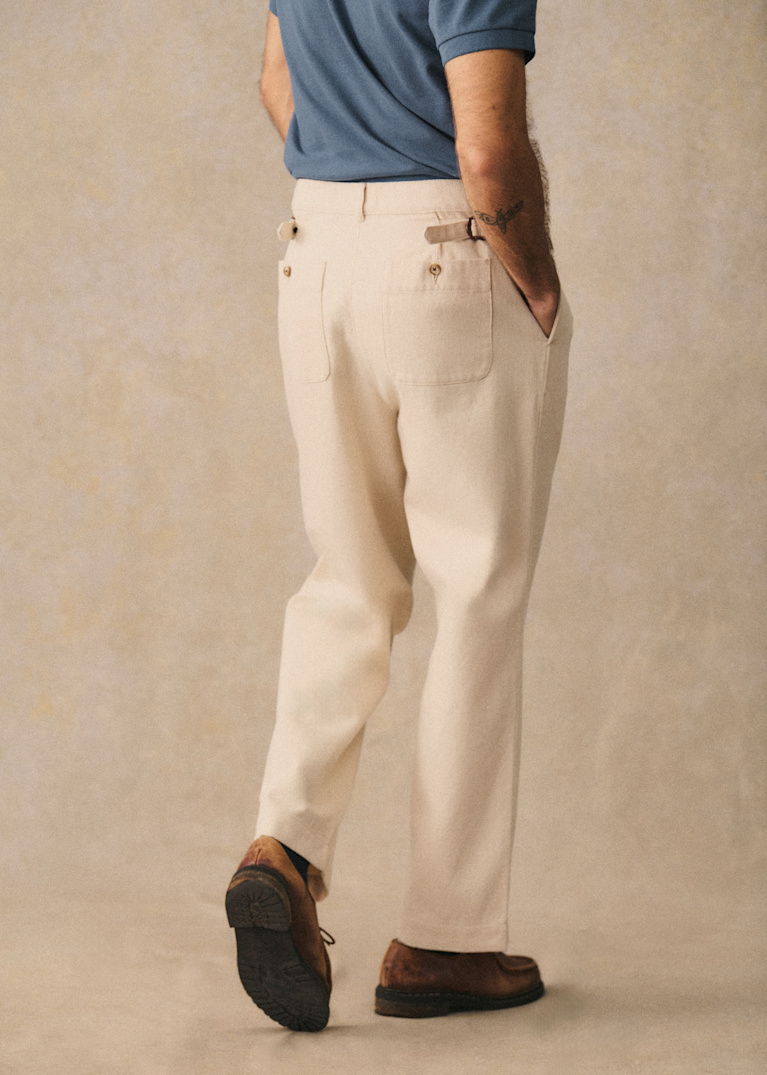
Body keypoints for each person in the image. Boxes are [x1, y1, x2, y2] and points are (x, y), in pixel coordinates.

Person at [225, 0, 573, 1032]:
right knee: (475, 593)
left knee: (348, 579)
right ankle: (445, 940)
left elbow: (276, 81)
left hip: (314, 249)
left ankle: (283, 847)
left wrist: (351, 187)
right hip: (445, 246)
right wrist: (534, 279)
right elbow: (487, 146)